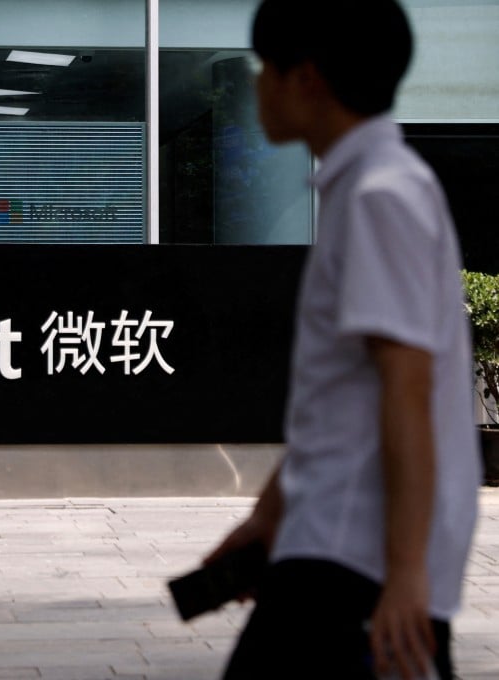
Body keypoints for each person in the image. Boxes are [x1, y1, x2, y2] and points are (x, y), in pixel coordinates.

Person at [205, 1, 482, 679]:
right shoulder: (370, 188)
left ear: (308, 79)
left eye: (265, 66)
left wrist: (406, 573)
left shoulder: (380, 196)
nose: (257, 84)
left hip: (352, 563)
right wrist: (268, 519)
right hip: (330, 549)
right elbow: (341, 406)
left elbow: (407, 387)